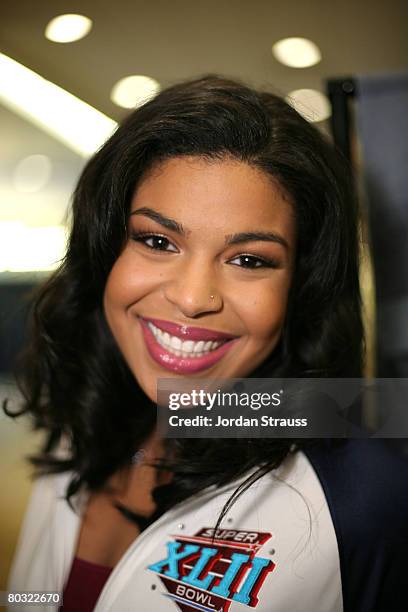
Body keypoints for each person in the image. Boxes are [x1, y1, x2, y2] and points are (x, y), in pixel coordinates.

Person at [5, 75, 408, 612]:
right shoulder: (77, 424)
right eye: (157, 241)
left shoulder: (363, 502)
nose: (193, 298)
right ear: (104, 251)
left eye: (249, 260)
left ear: (301, 288)